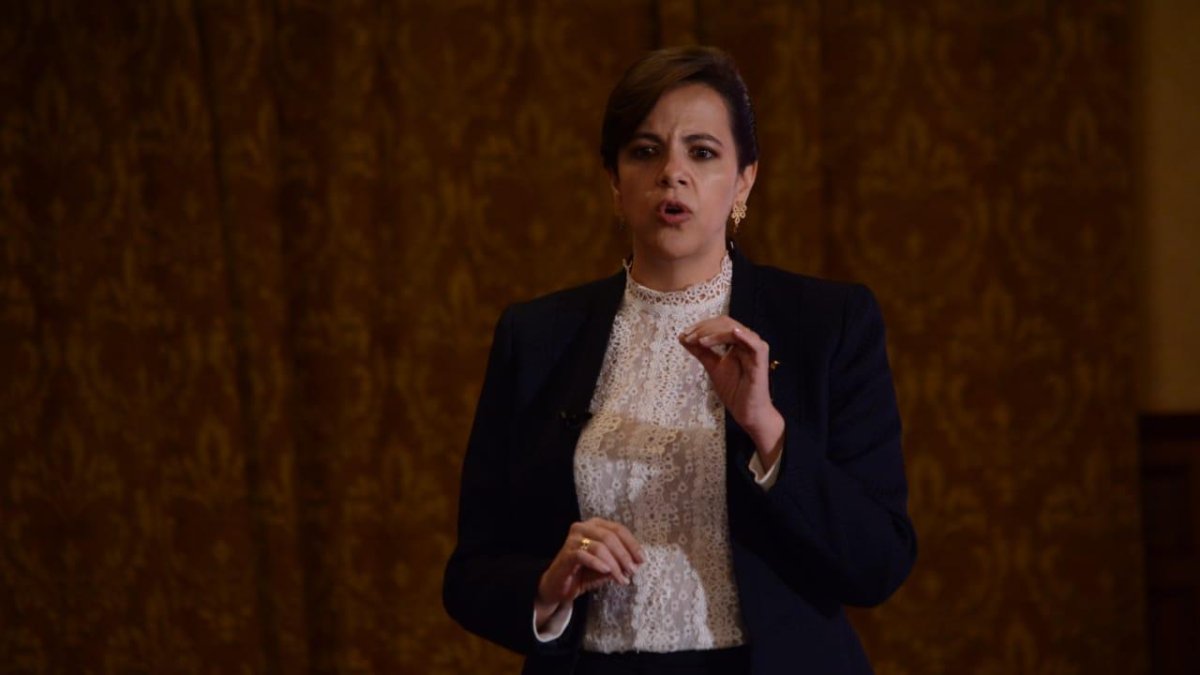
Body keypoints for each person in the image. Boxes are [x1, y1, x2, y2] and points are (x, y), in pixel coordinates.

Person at [443, 46, 916, 675]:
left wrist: (767, 431)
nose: (673, 174)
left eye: (702, 151)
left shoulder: (826, 325)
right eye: (645, 151)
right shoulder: (535, 336)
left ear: (744, 178)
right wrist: (547, 588)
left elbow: (878, 562)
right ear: (614, 180)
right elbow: (471, 572)